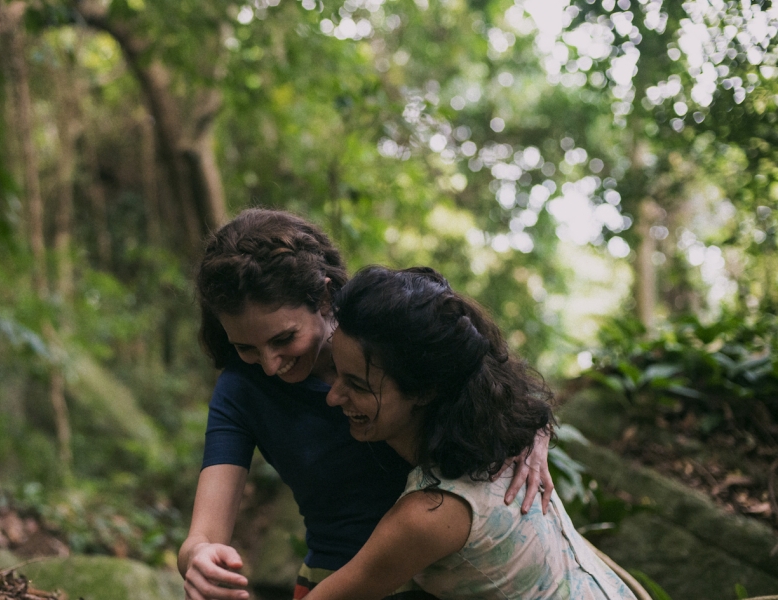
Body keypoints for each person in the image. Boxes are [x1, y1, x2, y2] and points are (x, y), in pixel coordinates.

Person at [178, 209, 555, 600]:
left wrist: (534, 433)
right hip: (336, 580)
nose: (270, 366)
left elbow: (488, 384)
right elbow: (203, 533)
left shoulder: (390, 335)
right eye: (246, 348)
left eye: (284, 339)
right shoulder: (242, 389)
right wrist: (199, 557)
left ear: (324, 297)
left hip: (449, 577)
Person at [305, 265, 638, 599]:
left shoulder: (431, 513)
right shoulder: (499, 435)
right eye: (336, 371)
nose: (333, 397)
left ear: (424, 390)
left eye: (357, 385)